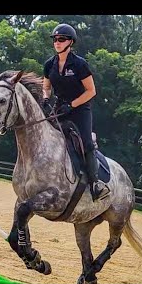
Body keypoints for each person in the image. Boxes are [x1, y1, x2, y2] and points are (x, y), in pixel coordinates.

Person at [42, 23, 110, 201]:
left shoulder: (80, 64)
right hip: (59, 108)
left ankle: (95, 184)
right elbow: (46, 87)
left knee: (86, 143)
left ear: (70, 42)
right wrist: (45, 98)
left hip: (80, 110)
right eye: (55, 39)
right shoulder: (49, 64)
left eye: (61, 39)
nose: (57, 42)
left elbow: (91, 91)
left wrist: (72, 105)